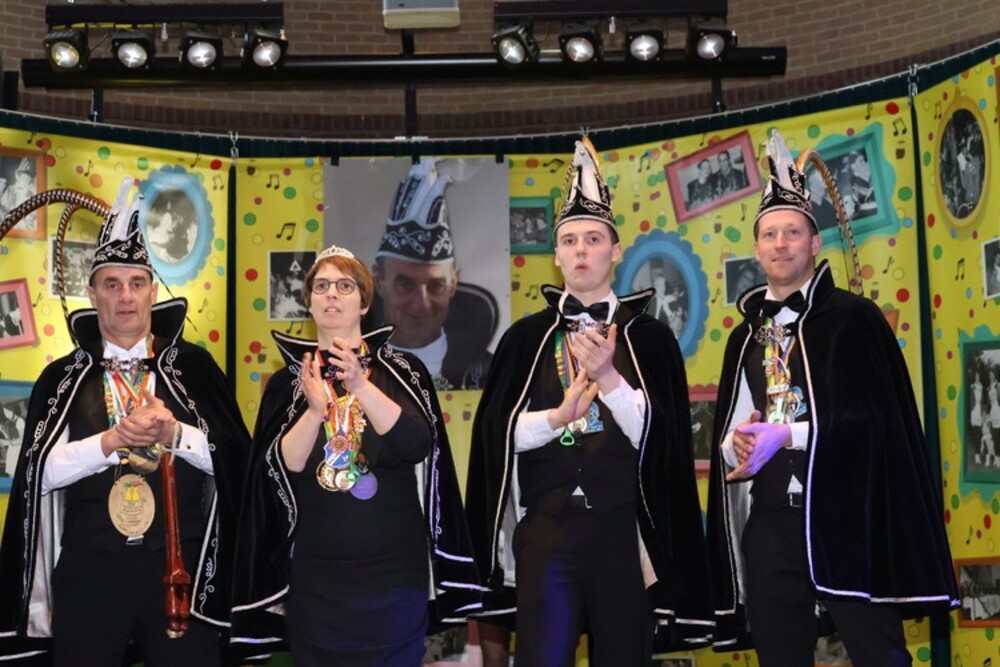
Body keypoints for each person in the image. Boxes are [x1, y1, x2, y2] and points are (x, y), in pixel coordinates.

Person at [705, 130, 959, 667]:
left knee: (880, 654)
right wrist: (738, 445)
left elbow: (877, 424)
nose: (780, 243)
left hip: (845, 518)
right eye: (770, 234)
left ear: (815, 244)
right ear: (756, 249)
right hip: (770, 524)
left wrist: (788, 435)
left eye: (792, 232)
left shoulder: (855, 320)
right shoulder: (744, 336)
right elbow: (731, 430)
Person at [466, 137, 713, 666]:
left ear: (615, 251)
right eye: (569, 240)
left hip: (624, 532)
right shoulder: (524, 338)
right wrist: (557, 419)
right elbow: (496, 437)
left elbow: (662, 441)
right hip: (547, 530)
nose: (580, 250)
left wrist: (610, 378)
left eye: (593, 239)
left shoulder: (649, 339)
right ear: (555, 255)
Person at [0, 177, 250, 665]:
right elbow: (38, 476)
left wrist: (175, 434)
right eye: (112, 285)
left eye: (136, 284)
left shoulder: (194, 369)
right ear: (92, 293)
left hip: (180, 570)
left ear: (153, 292)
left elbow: (234, 462)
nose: (126, 297)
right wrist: (110, 442)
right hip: (90, 571)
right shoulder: (62, 377)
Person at [229, 245, 481, 664]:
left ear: (365, 302)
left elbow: (418, 445)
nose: (332, 294)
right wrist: (314, 411)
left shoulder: (403, 371)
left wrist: (361, 385)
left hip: (394, 579)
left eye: (345, 286)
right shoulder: (288, 383)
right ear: (309, 302)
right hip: (316, 582)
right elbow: (281, 470)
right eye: (321, 286)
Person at [371, 158, 496, 390]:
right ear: (379, 281)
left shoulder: (490, 370)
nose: (422, 304)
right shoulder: (355, 368)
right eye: (406, 285)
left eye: (436, 285)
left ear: (453, 283)